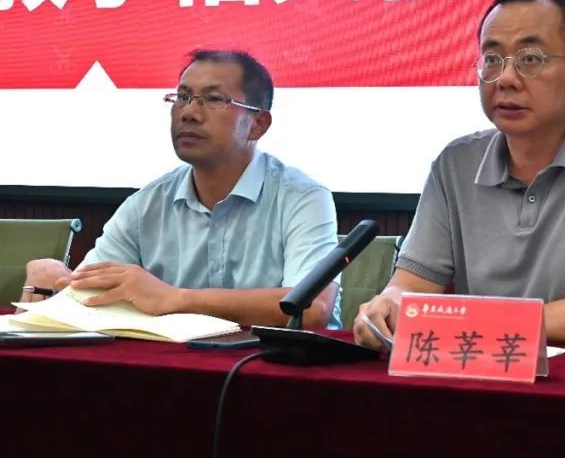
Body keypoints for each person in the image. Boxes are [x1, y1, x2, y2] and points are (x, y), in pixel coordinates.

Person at [353, 0, 565, 349]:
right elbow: (409, 286)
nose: (505, 78)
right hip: (481, 371)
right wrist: (387, 306)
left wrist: (466, 321)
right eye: (492, 59)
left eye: (530, 59)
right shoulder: (455, 164)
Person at [22, 49, 342, 329]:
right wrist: (57, 285)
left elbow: (312, 307)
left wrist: (175, 298)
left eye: (213, 100)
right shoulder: (147, 203)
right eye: (182, 97)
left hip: (282, 369)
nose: (188, 113)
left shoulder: (302, 198)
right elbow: (89, 294)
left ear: (258, 124)